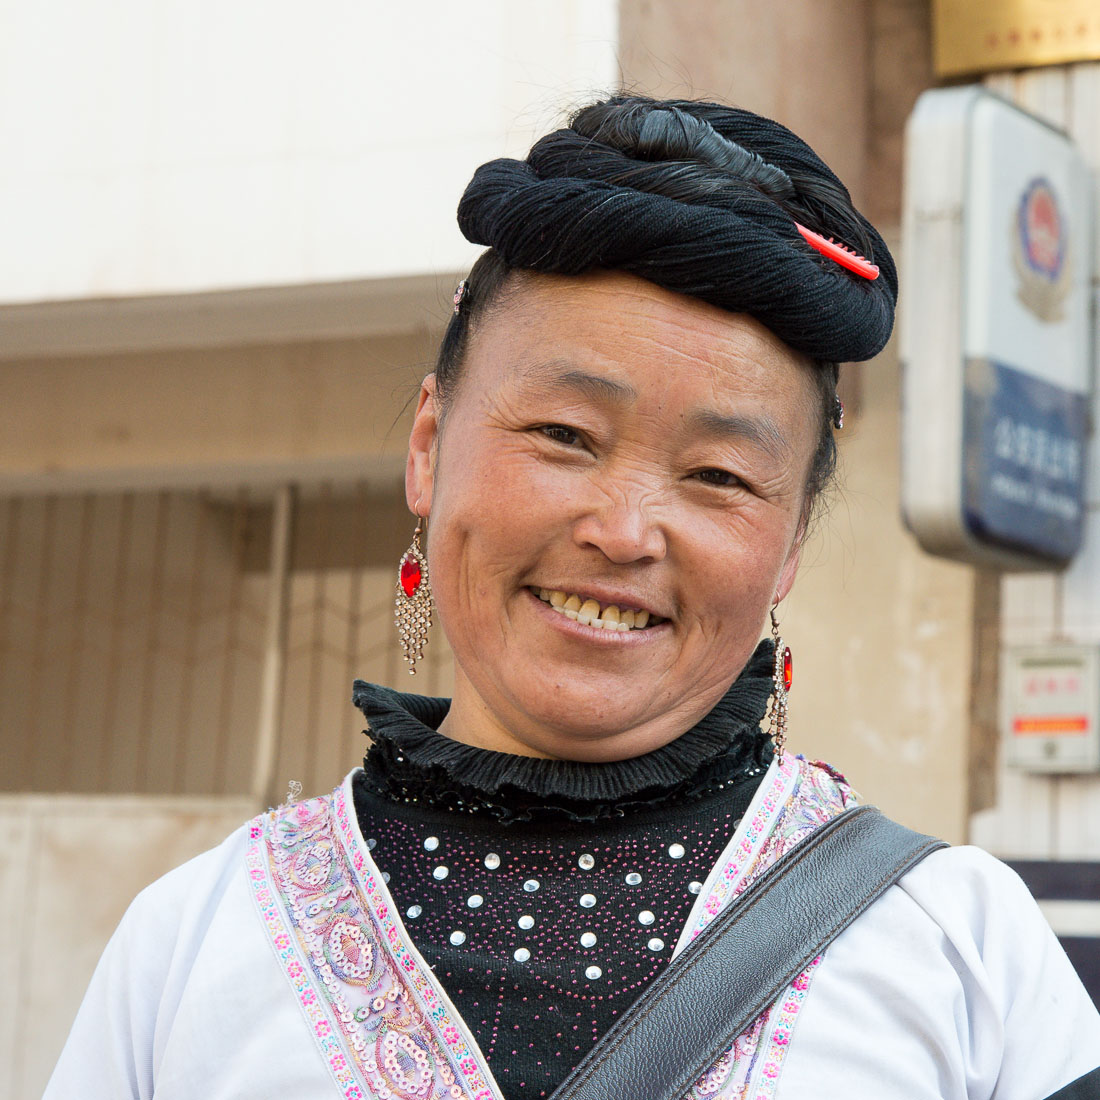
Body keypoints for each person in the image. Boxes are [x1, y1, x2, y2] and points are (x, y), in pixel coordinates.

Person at [46, 95, 1100, 1100]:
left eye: (719, 476)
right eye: (563, 435)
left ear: (787, 547)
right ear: (427, 443)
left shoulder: (959, 946)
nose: (623, 529)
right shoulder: (193, 940)